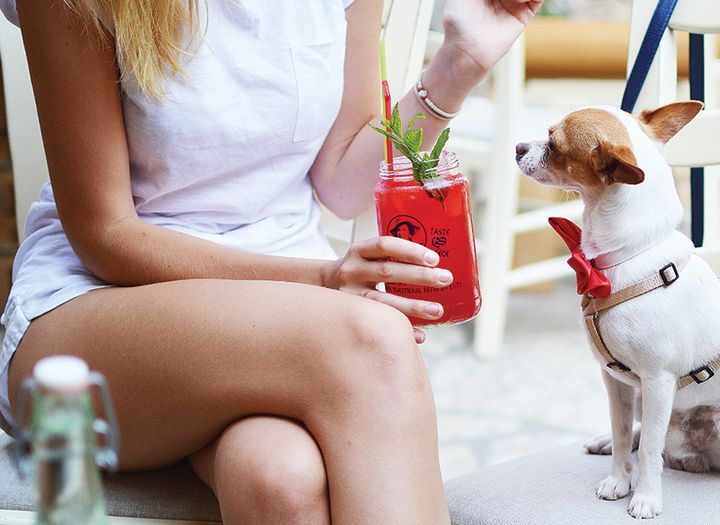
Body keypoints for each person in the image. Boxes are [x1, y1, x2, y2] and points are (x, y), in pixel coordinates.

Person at [0, 0, 540, 523]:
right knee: (372, 341)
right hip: (99, 319)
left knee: (279, 481)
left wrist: (458, 64)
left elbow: (342, 183)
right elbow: (106, 235)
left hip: (282, 336)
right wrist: (322, 280)